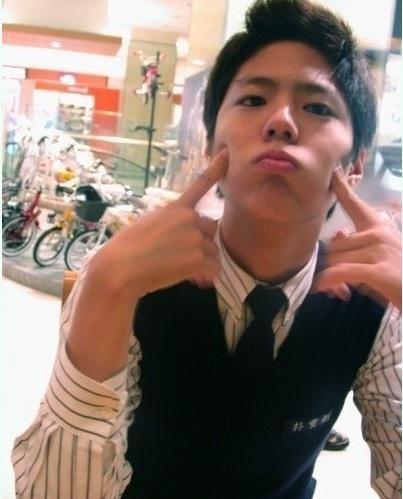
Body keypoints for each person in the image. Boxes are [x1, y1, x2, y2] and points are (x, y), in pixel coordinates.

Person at [12, 1, 401, 498]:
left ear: (356, 165)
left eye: (317, 108)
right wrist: (106, 289)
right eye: (253, 99)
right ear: (210, 145)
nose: (281, 121)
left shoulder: (374, 302)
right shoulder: (130, 278)